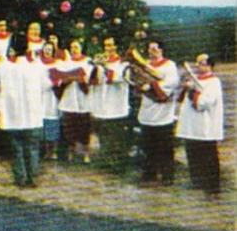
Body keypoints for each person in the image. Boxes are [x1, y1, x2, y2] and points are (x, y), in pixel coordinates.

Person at [0, 37, 50, 187]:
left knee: (17, 149)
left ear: (12, 49)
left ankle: (20, 178)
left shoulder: (3, 66)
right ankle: (33, 178)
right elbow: (47, 86)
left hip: (12, 115)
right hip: (32, 115)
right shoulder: (36, 66)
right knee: (33, 148)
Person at [176, 54, 223, 198]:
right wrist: (185, 87)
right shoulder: (195, 79)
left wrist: (192, 90)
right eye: (197, 63)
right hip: (191, 124)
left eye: (202, 63)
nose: (198, 66)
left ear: (209, 65)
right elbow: (180, 100)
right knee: (193, 153)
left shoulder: (214, 81)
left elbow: (205, 102)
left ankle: (212, 186)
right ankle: (197, 181)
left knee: (208, 155)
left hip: (205, 125)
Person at [133, 40, 179, 186]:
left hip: (163, 113)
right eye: (149, 49)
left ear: (161, 50)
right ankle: (149, 175)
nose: (151, 52)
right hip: (147, 111)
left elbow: (171, 83)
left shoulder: (169, 65)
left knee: (165, 147)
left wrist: (151, 86)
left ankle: (167, 176)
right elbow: (136, 81)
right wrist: (139, 85)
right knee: (148, 147)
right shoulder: (145, 65)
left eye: (154, 49)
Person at [89, 37, 131, 173]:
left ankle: (119, 164)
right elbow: (94, 81)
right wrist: (95, 67)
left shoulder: (123, 64)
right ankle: (106, 161)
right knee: (104, 136)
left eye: (111, 46)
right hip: (102, 106)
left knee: (117, 138)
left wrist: (105, 66)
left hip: (117, 106)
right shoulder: (101, 63)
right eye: (106, 46)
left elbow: (118, 79)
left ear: (116, 47)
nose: (108, 49)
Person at [57, 40, 96, 163]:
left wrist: (81, 79)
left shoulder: (88, 62)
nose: (74, 49)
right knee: (70, 128)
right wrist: (68, 78)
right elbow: (59, 79)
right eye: (72, 47)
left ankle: (86, 153)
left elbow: (92, 80)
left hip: (84, 99)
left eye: (76, 47)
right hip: (69, 99)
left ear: (81, 48)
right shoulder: (65, 63)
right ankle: (71, 151)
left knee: (84, 127)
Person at [38, 41, 63, 160]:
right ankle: (45, 150)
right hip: (40, 96)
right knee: (41, 120)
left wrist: (56, 82)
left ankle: (54, 151)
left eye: (50, 49)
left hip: (53, 96)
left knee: (53, 121)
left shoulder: (58, 64)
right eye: (45, 49)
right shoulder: (37, 64)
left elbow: (62, 78)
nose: (47, 51)